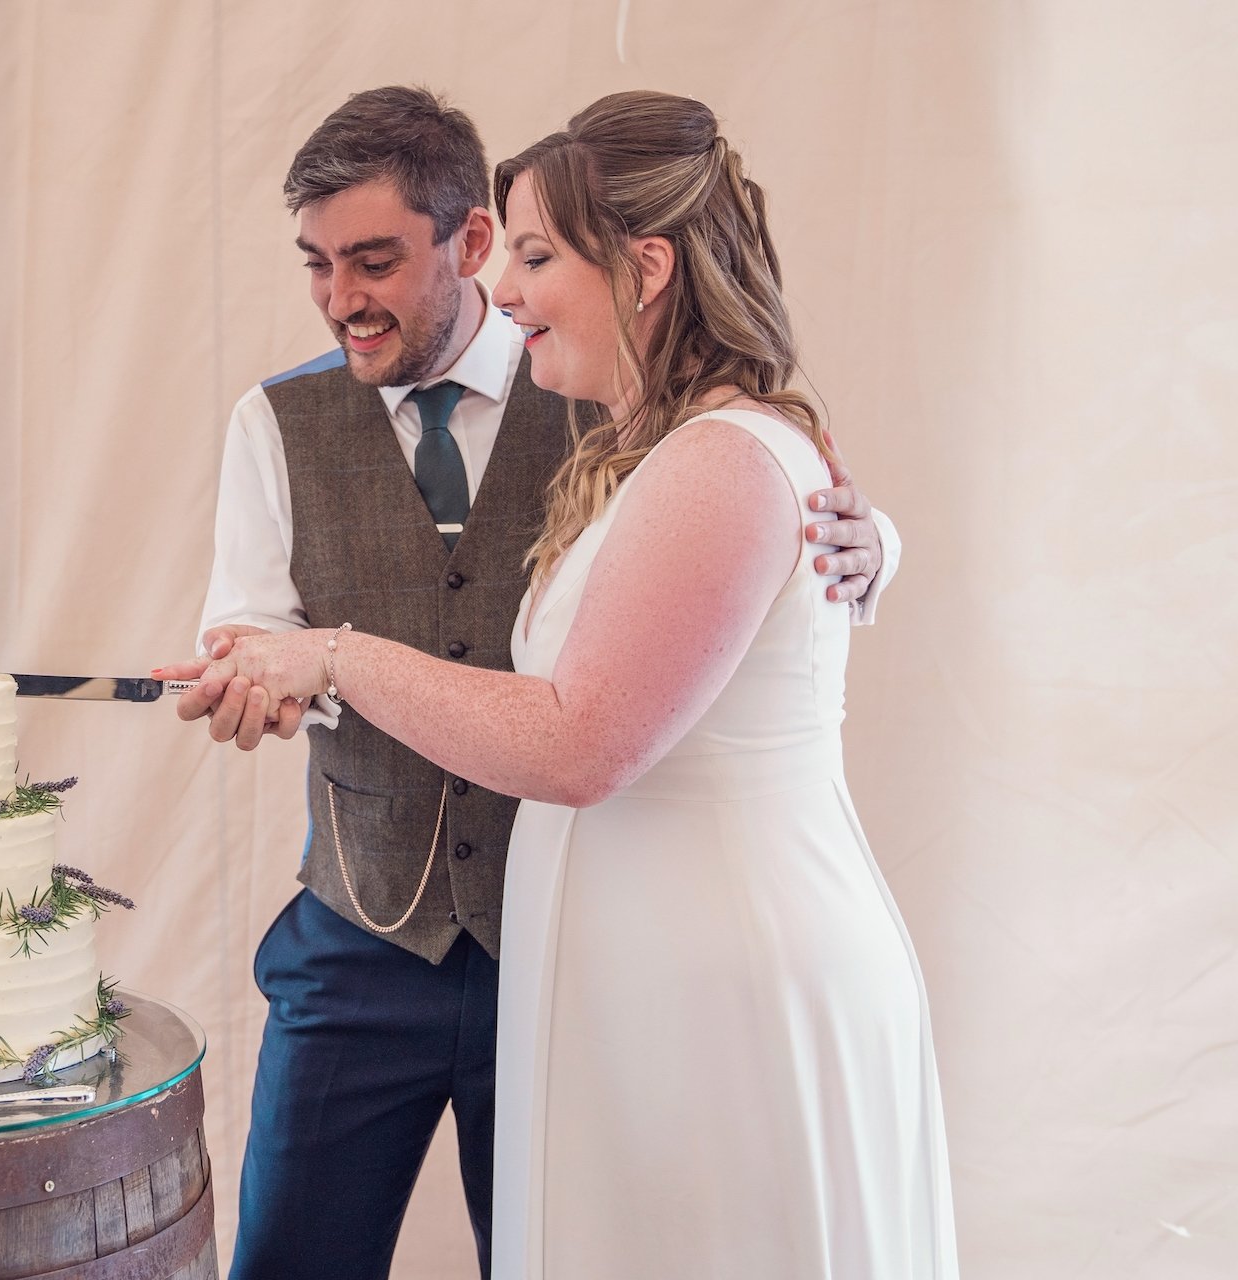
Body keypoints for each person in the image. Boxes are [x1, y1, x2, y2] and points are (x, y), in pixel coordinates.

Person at [166, 89, 954, 1278]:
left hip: (593, 956)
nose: (342, 299)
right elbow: (250, 625)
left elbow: (749, 520)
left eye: (375, 260)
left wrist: (870, 541)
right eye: (318, 266)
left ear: (468, 244)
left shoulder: (600, 395)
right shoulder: (279, 421)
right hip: (371, 923)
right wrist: (261, 673)